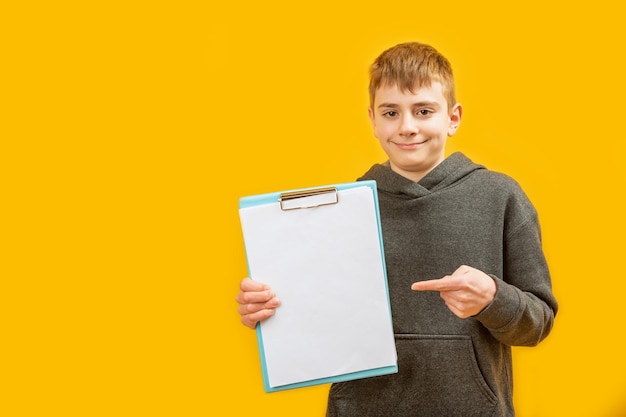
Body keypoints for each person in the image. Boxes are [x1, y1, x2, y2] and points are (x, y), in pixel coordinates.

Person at [235, 41, 558, 417]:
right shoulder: (339, 213)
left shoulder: (500, 197)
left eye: (423, 110)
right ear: (373, 120)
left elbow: (538, 324)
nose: (407, 127)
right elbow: (316, 316)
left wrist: (493, 298)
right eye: (391, 112)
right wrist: (269, 310)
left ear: (453, 118)